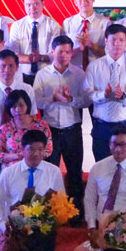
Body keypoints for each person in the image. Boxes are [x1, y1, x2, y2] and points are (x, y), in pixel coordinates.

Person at [0, 49, 38, 251]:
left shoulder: (27, 89)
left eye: (11, 65)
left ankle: (24, 239)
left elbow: (34, 118)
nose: (7, 70)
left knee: (21, 194)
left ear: (17, 67)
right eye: (2, 66)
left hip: (21, 149)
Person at [0, 130, 65, 251]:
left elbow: (61, 202)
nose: (36, 154)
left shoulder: (54, 172)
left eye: (40, 149)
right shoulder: (8, 173)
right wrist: (3, 225)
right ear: (22, 149)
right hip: (17, 232)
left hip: (43, 233)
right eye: (31, 149)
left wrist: (52, 221)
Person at [33, 35, 88, 221]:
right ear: (51, 52)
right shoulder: (42, 74)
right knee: (49, 172)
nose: (64, 55)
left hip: (72, 129)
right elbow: (35, 102)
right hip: (50, 131)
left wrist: (71, 99)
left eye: (67, 52)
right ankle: (49, 214)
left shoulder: (79, 74)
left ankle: (75, 213)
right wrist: (53, 98)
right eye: (60, 52)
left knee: (75, 172)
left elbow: (87, 101)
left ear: (72, 53)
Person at [83, 24, 126, 161]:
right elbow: (87, 94)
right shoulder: (94, 66)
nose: (117, 44)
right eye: (113, 40)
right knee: (103, 166)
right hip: (102, 126)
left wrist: (124, 96)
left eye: (121, 40)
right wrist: (103, 95)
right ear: (106, 41)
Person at [8, 0, 62, 84]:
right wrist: (29, 59)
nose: (32, 8)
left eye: (36, 4)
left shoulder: (53, 25)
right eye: (28, 5)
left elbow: (55, 54)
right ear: (24, 5)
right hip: (22, 76)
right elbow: (13, 54)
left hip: (47, 75)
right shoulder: (17, 26)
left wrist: (40, 57)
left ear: (43, 4)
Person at [0, 90, 53, 168]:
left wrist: (31, 156)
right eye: (13, 107)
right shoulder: (5, 128)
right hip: (11, 170)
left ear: (27, 105)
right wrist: (16, 156)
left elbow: (48, 149)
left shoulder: (41, 126)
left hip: (35, 168)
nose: (17, 109)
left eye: (21, 105)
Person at [62, 0, 110, 71]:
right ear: (75, 2)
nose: (83, 2)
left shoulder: (105, 23)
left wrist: (90, 45)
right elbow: (62, 53)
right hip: (73, 72)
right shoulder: (67, 23)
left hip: (97, 72)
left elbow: (110, 53)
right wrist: (79, 49)